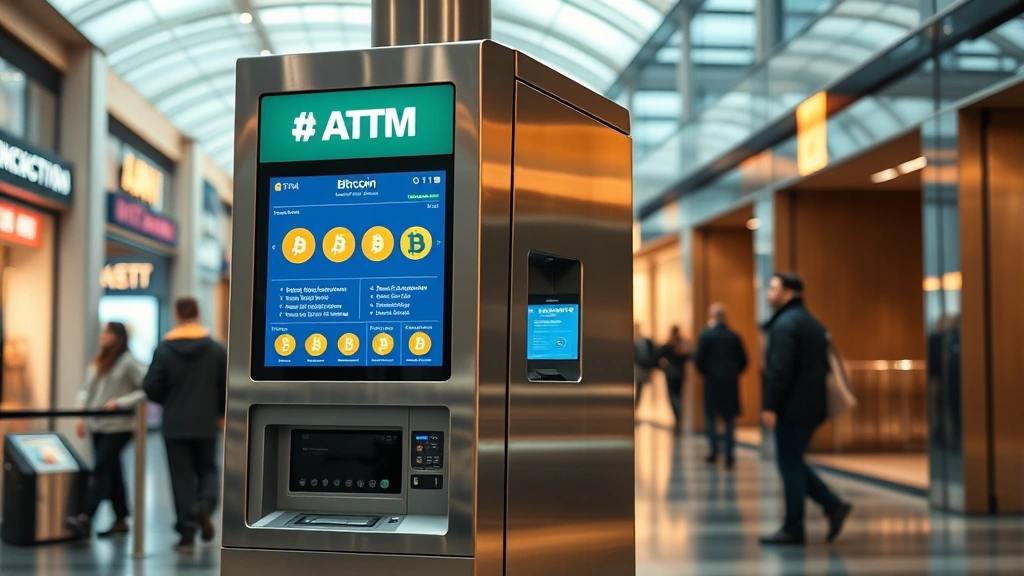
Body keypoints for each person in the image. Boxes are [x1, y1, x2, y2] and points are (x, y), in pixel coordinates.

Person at [759, 273, 852, 546]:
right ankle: (832, 505)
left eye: (774, 287)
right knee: (793, 462)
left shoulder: (786, 324)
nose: (769, 292)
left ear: (788, 292)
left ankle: (794, 526)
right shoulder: (810, 322)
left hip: (792, 406)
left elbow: (780, 369)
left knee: (789, 464)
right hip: (812, 405)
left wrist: (770, 405)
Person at [143, 297, 227, 553]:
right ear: (198, 314)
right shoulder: (216, 349)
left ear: (177, 315)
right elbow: (225, 384)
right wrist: (220, 412)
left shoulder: (164, 350)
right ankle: (204, 505)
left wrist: (169, 400)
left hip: (175, 423)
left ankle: (187, 537)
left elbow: (150, 386)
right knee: (208, 470)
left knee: (181, 479)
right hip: (206, 422)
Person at [67, 322, 146, 538]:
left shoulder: (128, 362)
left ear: (116, 336)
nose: (101, 336)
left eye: (106, 332)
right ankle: (121, 518)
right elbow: (85, 390)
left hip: (119, 427)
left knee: (101, 469)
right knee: (113, 470)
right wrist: (81, 414)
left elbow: (147, 388)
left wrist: (120, 402)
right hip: (98, 424)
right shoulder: (97, 360)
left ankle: (85, 517)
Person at [694, 304, 747, 469]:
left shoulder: (706, 336)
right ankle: (730, 455)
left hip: (712, 382)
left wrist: (709, 373)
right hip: (730, 383)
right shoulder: (734, 336)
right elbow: (744, 361)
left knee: (711, 417)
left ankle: (714, 450)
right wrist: (732, 373)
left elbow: (699, 361)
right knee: (729, 419)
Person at [658, 326, 691, 433]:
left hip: (672, 374)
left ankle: (677, 419)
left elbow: (656, 356)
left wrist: (663, 366)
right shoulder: (681, 345)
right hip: (680, 374)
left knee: (673, 397)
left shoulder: (670, 345)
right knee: (678, 397)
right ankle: (678, 419)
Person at [633, 323, 657, 408]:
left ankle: (636, 407)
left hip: (642, 368)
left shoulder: (645, 341)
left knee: (639, 388)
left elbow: (652, 354)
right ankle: (636, 406)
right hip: (636, 367)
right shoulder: (634, 341)